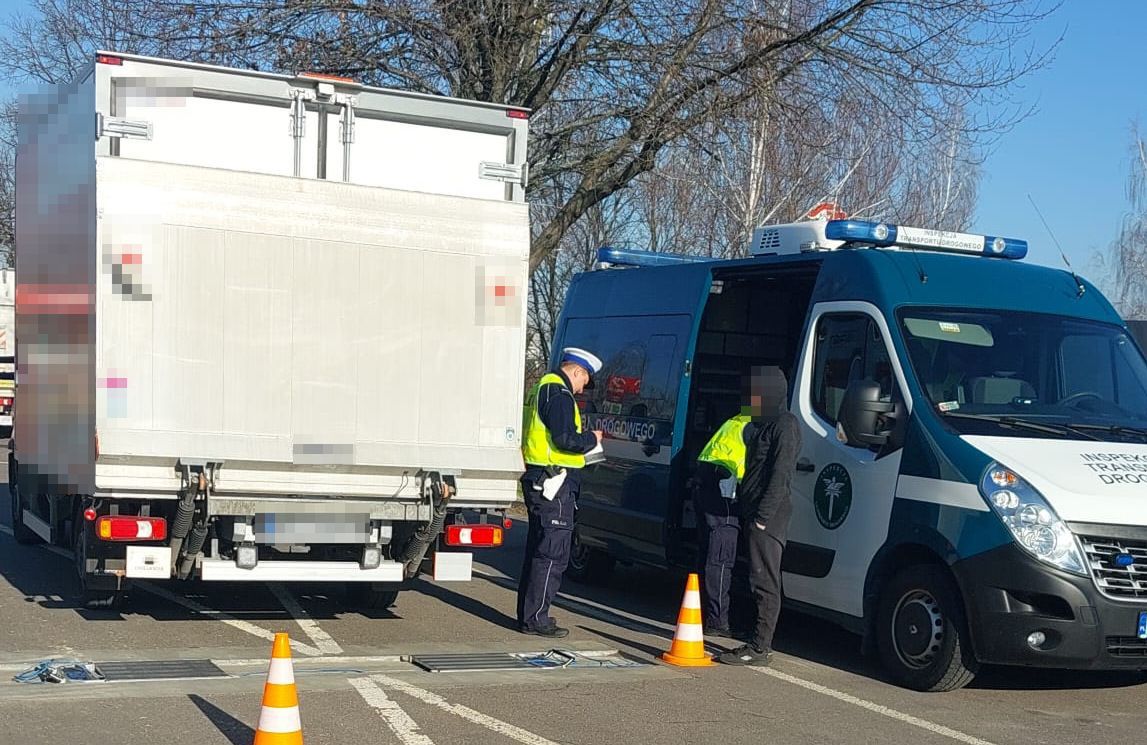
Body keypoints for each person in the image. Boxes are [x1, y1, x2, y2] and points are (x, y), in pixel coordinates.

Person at [516, 347, 604, 638]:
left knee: (539, 548)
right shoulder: (559, 394)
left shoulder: (542, 387)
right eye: (584, 381)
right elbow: (565, 439)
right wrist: (592, 438)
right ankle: (536, 618)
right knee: (552, 551)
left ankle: (531, 614)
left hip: (540, 476)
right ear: (576, 371)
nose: (582, 389)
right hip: (554, 480)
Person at [718, 366, 801, 666]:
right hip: (754, 510)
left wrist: (763, 516)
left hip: (769, 516)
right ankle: (756, 638)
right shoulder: (761, 423)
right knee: (757, 577)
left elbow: (780, 475)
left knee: (765, 581)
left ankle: (760, 647)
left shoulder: (785, 424)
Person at [692, 379, 763, 637]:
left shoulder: (739, 419)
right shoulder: (756, 426)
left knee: (709, 554)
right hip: (722, 490)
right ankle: (718, 622)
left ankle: (702, 613)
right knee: (721, 557)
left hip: (707, 484)